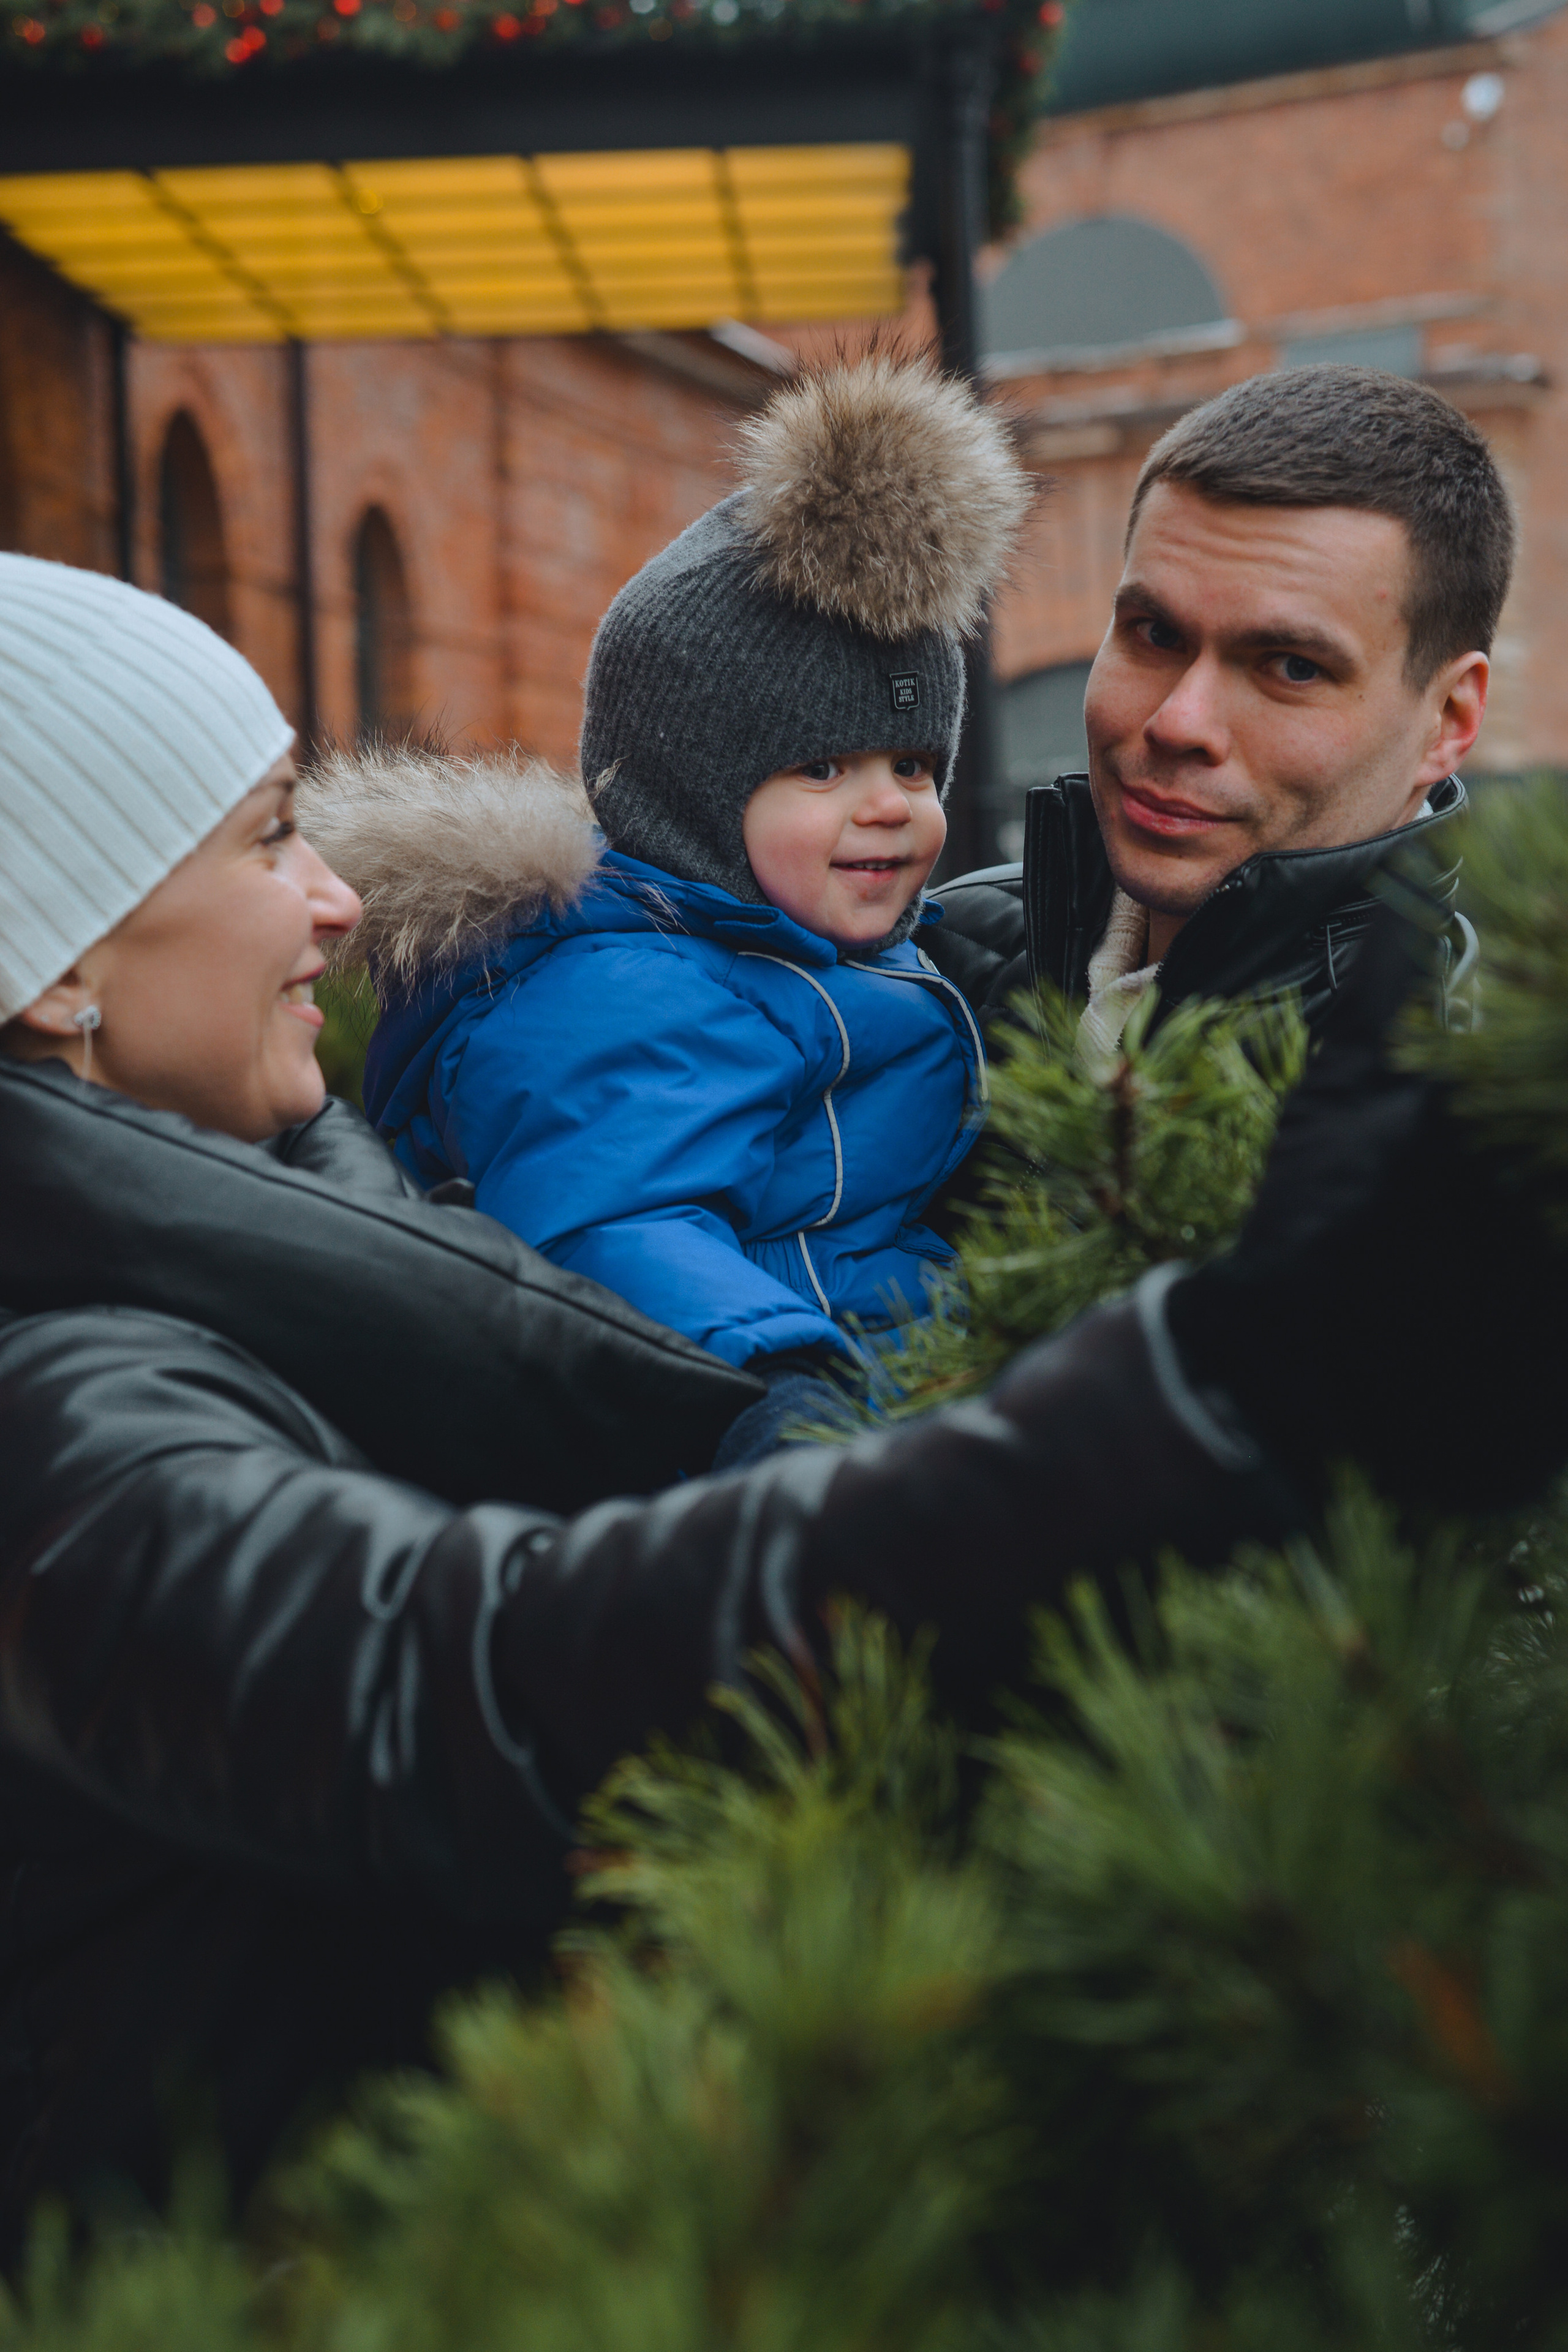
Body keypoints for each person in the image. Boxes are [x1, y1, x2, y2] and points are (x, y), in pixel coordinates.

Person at [0, 549, 1561, 2253]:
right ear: (53, 964)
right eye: (264, 837)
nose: (337, 901)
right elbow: (487, 1676)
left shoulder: (286, 1199)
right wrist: (1217, 1389)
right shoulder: (58, 1413)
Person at [324, 358, 1029, 1457]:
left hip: (906, 1377)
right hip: (774, 1430)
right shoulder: (628, 993)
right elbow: (617, 1225)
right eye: (825, 768)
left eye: (914, 764)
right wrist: (783, 1397)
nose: (890, 805)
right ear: (692, 793)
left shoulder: (801, 950)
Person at [927, 366, 1510, 1047]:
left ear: (1447, 720)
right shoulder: (931, 965)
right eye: (1156, 634)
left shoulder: (1477, 1107)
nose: (1178, 722)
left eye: (1292, 667)